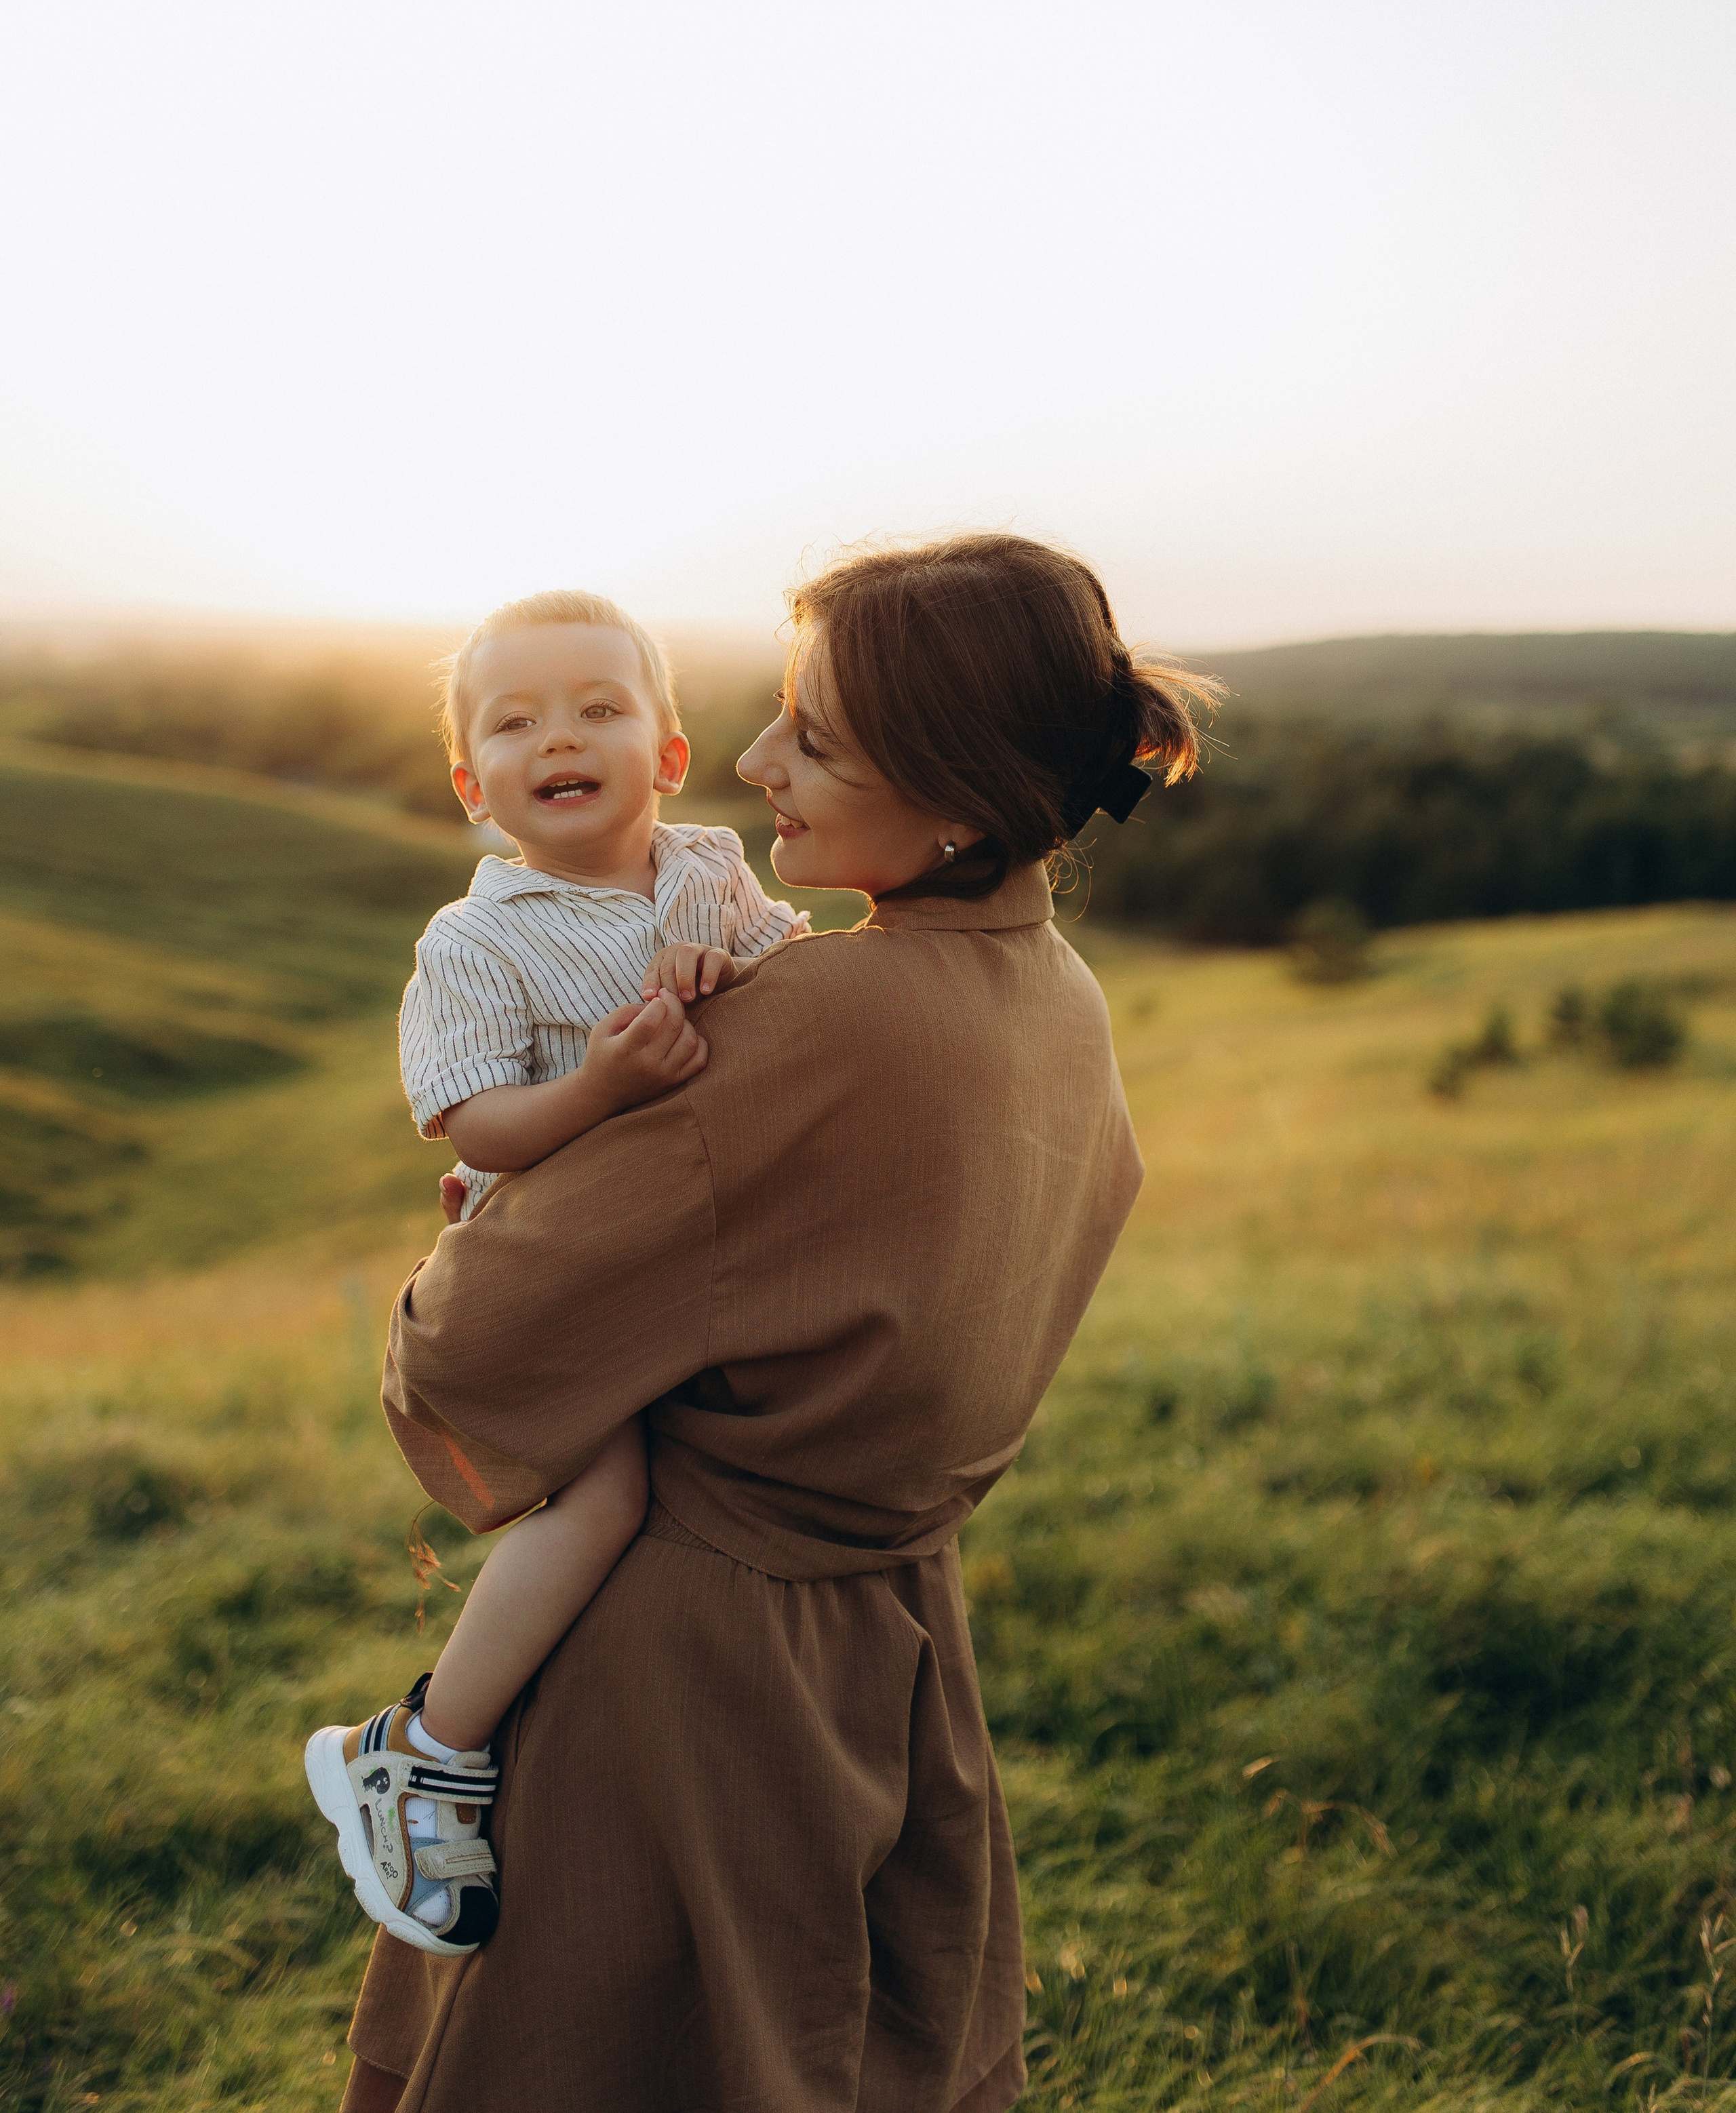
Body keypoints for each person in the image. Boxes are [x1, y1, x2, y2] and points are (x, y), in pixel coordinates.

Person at [337, 533, 1214, 2113]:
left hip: (683, 1666)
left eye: (809, 734)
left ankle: (412, 1751)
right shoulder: (1056, 993)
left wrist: (471, 1252)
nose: (750, 763)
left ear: (954, 794)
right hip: (895, 1646)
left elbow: (469, 1352)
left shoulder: (805, 1018)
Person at [305, 589, 807, 1951]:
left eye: (598, 706)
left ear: (666, 752)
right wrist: (597, 1081)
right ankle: (418, 1746)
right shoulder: (477, 939)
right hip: (546, 1271)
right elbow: (475, 1122)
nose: (559, 735)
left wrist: (751, 965)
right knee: (603, 1493)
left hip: (690, 1257)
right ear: (474, 783)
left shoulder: (712, 866)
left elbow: (789, 998)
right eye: (516, 721)